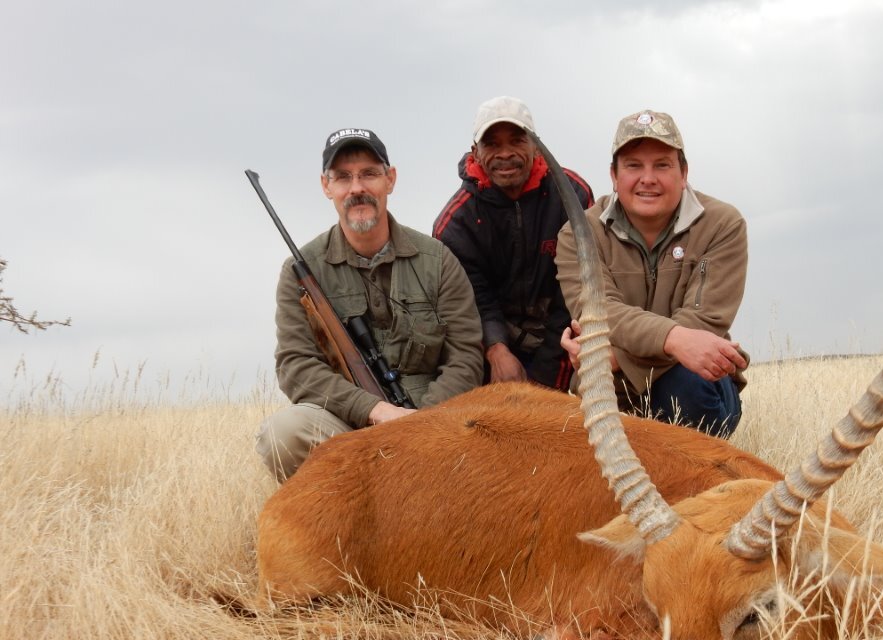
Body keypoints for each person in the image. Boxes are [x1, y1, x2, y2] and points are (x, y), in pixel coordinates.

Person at [256, 128, 484, 481]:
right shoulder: (300, 272)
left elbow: (466, 356)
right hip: (349, 428)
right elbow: (296, 365)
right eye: (343, 177)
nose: (356, 188)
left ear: (390, 180)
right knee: (283, 434)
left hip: (436, 426)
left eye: (369, 174)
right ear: (326, 186)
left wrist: (422, 423)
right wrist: (374, 410)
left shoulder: (438, 260)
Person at [555, 109, 749, 437]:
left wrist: (617, 357)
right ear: (614, 176)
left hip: (687, 380)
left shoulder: (723, 224)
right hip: (613, 387)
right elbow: (600, 313)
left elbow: (704, 324)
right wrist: (675, 340)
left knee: (690, 383)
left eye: (662, 164)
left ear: (683, 172)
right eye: (633, 166)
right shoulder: (579, 233)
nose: (648, 178)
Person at [433, 96, 593, 391]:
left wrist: (544, 382)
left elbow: (575, 295)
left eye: (517, 141)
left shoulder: (574, 195)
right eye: (492, 144)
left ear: (536, 146)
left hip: (562, 337)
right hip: (493, 344)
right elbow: (473, 301)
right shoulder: (456, 222)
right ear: (475, 153)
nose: (505, 154)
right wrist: (495, 349)